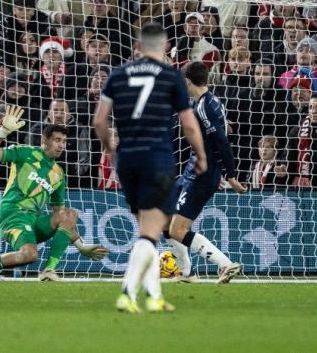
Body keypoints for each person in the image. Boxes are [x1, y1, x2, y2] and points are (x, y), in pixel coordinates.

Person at [93, 22, 207, 313]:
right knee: (151, 232)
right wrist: (201, 154)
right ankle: (127, 293)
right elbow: (189, 123)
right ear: (166, 46)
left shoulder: (117, 75)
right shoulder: (171, 76)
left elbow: (99, 121)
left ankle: (154, 296)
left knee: (147, 229)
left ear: (139, 46)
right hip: (156, 158)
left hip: (127, 159)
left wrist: (109, 148)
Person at [0, 106, 109, 282]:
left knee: (70, 213)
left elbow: (61, 215)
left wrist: (80, 246)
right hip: (13, 215)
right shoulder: (25, 152)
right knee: (30, 255)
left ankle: (49, 270)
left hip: (35, 220)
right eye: (57, 140)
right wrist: (3, 131)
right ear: (45, 140)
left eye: (64, 141)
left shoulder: (59, 174)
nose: (61, 145)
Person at [162, 61, 246, 285]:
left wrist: (231, 175)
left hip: (202, 175)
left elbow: (221, 141)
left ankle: (225, 265)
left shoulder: (204, 107)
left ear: (188, 81)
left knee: (178, 230)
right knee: (164, 219)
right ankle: (186, 273)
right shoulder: (208, 101)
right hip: (192, 171)